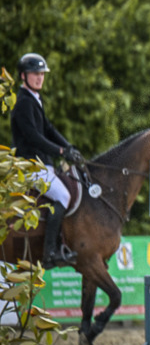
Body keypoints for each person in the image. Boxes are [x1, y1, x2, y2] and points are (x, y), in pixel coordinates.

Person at [9, 52, 83, 268]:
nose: (39, 78)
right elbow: (33, 137)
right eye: (35, 74)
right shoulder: (23, 103)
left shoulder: (35, 99)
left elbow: (48, 129)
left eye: (41, 74)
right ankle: (50, 253)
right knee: (63, 196)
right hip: (29, 165)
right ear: (23, 76)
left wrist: (69, 147)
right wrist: (60, 151)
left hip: (42, 164)